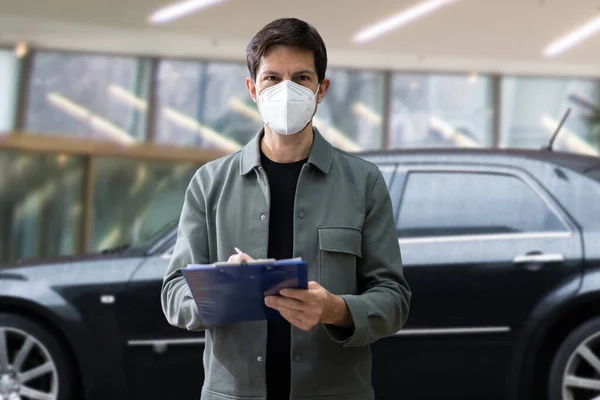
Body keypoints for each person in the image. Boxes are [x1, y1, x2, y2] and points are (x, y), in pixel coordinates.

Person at [161, 17, 411, 400]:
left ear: (321, 89)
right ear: (252, 88)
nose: (286, 90)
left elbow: (393, 298)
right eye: (272, 78)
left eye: (301, 78)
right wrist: (220, 289)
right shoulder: (210, 183)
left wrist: (335, 309)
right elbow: (173, 292)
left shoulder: (363, 183)